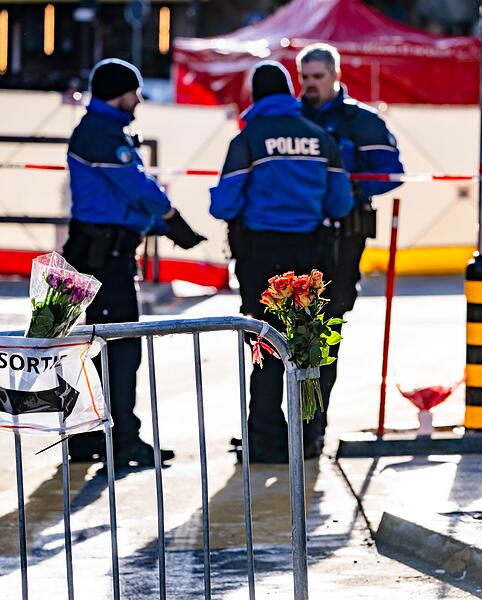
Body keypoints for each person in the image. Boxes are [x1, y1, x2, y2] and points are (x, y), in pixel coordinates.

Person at [63, 58, 207, 467]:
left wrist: (160, 226)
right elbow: (137, 188)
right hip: (102, 258)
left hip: (98, 251)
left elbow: (122, 200)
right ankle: (122, 440)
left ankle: (88, 437)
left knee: (88, 347)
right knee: (120, 349)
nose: (139, 100)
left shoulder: (101, 130)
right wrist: (170, 218)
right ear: (119, 91)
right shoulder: (102, 133)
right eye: (135, 91)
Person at [209, 60, 353, 463]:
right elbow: (340, 202)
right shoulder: (320, 138)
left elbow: (225, 204)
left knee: (266, 346)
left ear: (255, 95)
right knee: (309, 348)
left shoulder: (249, 139)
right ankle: (308, 435)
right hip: (312, 257)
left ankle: (267, 439)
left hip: (262, 259)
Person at [296, 43, 404, 449]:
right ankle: (278, 429)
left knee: (326, 333)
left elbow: (392, 173)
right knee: (286, 333)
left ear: (336, 76)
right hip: (298, 239)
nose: (309, 85)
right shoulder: (291, 118)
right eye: (304, 77)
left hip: (343, 239)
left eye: (317, 77)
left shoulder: (362, 121)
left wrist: (347, 184)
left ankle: (314, 425)